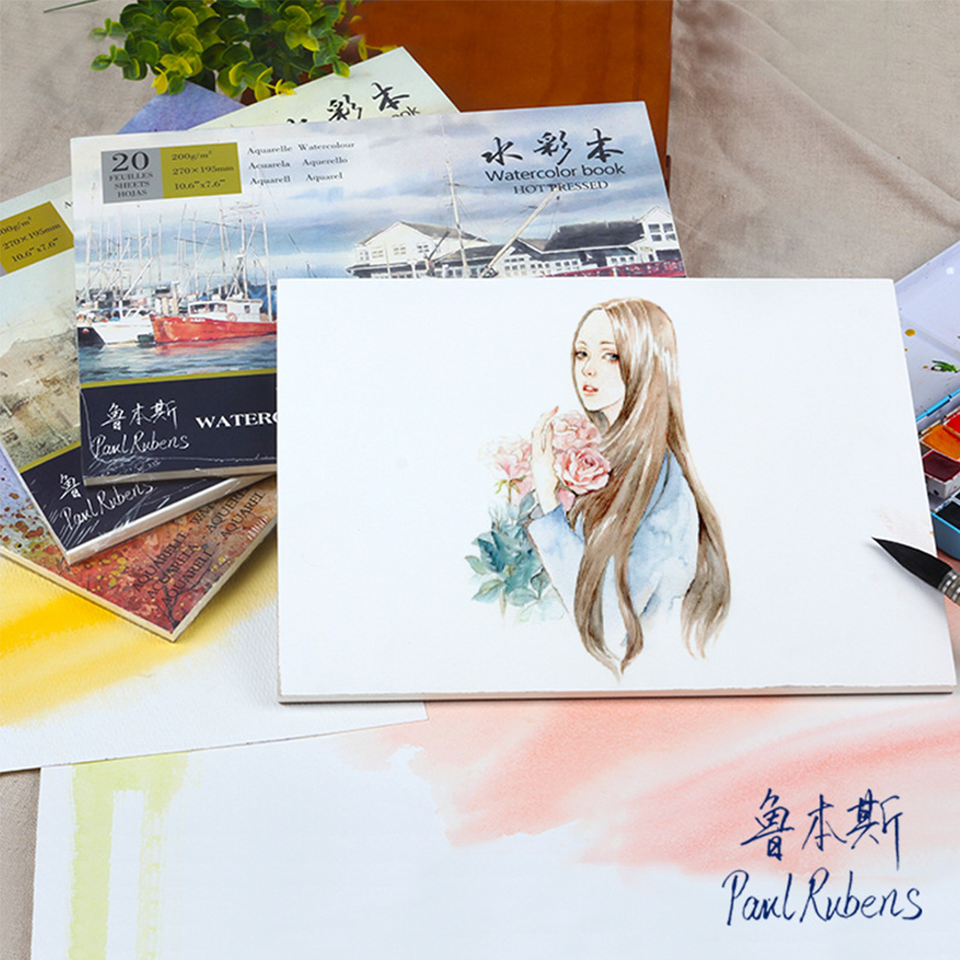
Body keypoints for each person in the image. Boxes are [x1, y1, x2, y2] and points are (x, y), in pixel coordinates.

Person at [526, 297, 730, 676]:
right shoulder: (603, 454)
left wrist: (547, 501)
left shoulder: (664, 484)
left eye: (612, 356)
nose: (588, 368)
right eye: (581, 353)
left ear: (647, 363)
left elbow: (611, 627)